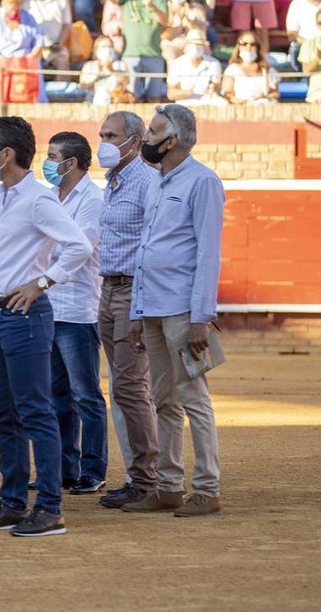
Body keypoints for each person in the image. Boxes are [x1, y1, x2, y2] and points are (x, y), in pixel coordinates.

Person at [0, 115, 92, 538]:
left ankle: (49, 508)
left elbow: (79, 245)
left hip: (24, 316)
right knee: (8, 414)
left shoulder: (38, 200)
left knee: (34, 411)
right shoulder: (0, 198)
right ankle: (12, 502)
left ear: (6, 155)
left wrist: (42, 282)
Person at [125, 104, 225, 518]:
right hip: (153, 306)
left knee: (193, 397)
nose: (146, 138)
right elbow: (146, 250)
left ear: (174, 140)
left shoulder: (202, 181)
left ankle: (207, 488)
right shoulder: (156, 183)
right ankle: (169, 485)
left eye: (153, 132)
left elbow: (208, 253)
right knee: (163, 397)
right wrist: (136, 308)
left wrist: (203, 315)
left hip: (184, 311)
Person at [91, 111, 161, 508]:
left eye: (111, 135)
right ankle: (141, 474)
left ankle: (146, 479)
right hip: (109, 289)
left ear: (134, 141)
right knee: (125, 386)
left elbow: (151, 247)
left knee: (132, 387)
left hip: (133, 291)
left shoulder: (146, 182)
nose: (102, 141)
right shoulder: (115, 181)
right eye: (101, 134)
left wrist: (140, 306)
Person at [41, 132, 108, 496]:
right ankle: (64, 468)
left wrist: (45, 264)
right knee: (56, 395)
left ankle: (93, 469)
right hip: (49, 306)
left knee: (85, 394)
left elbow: (77, 247)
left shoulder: (92, 200)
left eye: (53, 156)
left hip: (78, 308)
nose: (47, 162)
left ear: (72, 163)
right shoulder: (51, 196)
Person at [101, 0, 169, 101]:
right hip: (130, 55)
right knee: (132, 97)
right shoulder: (127, 0)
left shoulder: (159, 0)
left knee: (154, 97)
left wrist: (151, 7)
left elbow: (166, 21)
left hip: (154, 55)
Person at [167, 30, 225, 104]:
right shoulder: (177, 63)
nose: (195, 47)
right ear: (186, 45)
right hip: (184, 104)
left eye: (199, 44)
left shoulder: (214, 63)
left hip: (207, 103)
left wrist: (213, 89)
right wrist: (189, 92)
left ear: (204, 46)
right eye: (192, 44)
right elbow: (171, 94)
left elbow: (217, 87)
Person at [221, 32, 280, 103]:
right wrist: (244, 102)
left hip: (263, 106)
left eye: (252, 44)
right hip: (240, 108)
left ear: (257, 47)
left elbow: (275, 93)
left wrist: (263, 98)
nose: (248, 48)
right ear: (239, 46)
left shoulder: (267, 69)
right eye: (244, 44)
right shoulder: (232, 70)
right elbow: (229, 95)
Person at [79, 36, 134, 107]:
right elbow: (83, 85)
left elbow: (126, 82)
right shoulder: (89, 65)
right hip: (93, 102)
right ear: (96, 50)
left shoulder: (120, 64)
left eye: (109, 46)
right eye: (104, 46)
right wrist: (97, 74)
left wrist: (112, 70)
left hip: (115, 102)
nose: (107, 49)